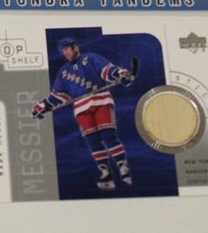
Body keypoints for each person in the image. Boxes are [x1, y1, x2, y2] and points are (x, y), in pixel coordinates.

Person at [32, 38, 134, 192]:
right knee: (92, 140)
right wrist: (42, 106)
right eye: (63, 50)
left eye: (67, 48)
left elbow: (107, 71)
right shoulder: (63, 72)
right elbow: (58, 95)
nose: (66, 52)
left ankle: (122, 166)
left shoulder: (90, 58)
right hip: (81, 108)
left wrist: (120, 74)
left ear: (75, 47)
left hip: (101, 101)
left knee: (108, 136)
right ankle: (105, 172)